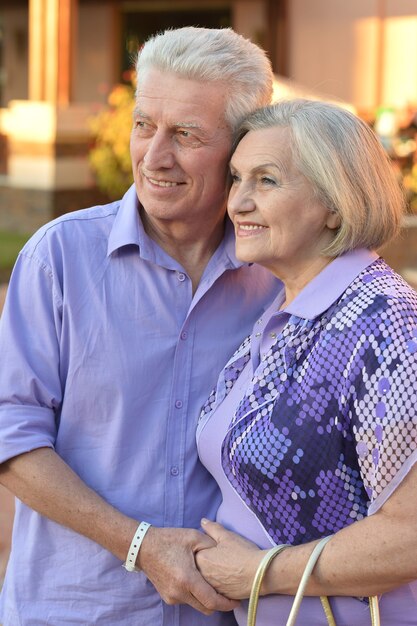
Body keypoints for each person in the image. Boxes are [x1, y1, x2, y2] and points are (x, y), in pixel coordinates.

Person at [0, 27, 281, 625]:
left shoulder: (283, 278)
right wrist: (141, 544)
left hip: (228, 615)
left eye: (185, 134)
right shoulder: (59, 258)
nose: (154, 157)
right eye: (144, 124)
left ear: (242, 148)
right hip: (77, 611)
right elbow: (11, 433)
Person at [195, 99, 417, 625]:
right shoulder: (287, 310)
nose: (238, 203)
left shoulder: (385, 324)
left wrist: (260, 573)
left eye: (266, 181)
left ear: (335, 204)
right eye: (236, 179)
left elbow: (410, 534)